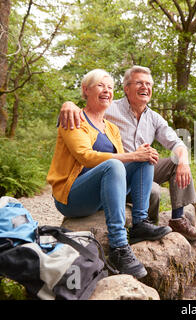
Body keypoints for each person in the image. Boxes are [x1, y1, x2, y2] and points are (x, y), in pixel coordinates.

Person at [47, 69, 172, 279]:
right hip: (72, 196)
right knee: (116, 164)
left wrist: (139, 155)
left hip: (99, 195)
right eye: (100, 86)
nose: (106, 91)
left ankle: (140, 223)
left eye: (110, 87)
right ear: (85, 90)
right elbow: (85, 157)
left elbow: (126, 163)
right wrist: (67, 103)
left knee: (146, 157)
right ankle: (118, 247)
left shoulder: (111, 128)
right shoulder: (75, 119)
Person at [59, 66, 196, 242]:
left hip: (142, 168)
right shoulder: (109, 107)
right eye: (139, 83)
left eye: (148, 84)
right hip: (112, 169)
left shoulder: (154, 118)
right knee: (153, 191)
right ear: (126, 88)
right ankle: (142, 224)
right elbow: (85, 111)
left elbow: (176, 142)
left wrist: (184, 162)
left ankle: (177, 220)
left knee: (176, 160)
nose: (144, 87)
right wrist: (68, 105)